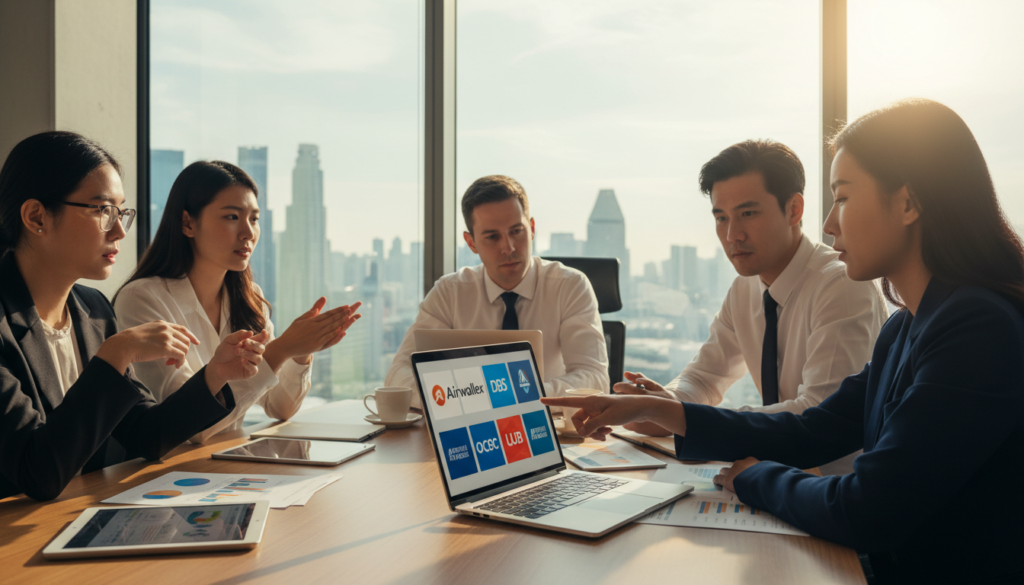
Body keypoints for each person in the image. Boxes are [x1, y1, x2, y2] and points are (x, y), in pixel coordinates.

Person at [543, 99, 1024, 583]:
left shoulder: (976, 327)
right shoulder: (907, 327)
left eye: (843, 197)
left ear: (907, 203)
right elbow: (816, 427)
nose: (830, 223)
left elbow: (868, 508)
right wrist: (665, 412)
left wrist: (754, 477)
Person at [0, 132, 266, 501]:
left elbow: (147, 435)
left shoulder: (92, 310)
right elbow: (37, 473)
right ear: (36, 217)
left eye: (121, 210)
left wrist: (215, 374)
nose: (120, 229)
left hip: (74, 519)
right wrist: (114, 356)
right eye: (101, 210)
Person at [617, 140, 887, 450]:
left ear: (794, 210)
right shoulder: (744, 289)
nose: (732, 235)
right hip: (773, 471)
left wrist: (683, 417)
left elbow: (817, 414)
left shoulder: (840, 286)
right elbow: (705, 377)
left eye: (747, 213)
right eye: (721, 218)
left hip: (831, 481)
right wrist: (665, 402)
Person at [115, 161, 360, 443]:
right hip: (163, 473)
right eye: (232, 217)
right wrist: (281, 349)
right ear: (187, 223)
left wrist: (302, 351)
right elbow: (187, 427)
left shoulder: (248, 298)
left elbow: (281, 408)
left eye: (254, 219)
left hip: (226, 467)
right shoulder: (143, 299)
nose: (248, 233)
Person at [385, 175, 609, 406]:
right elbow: (398, 377)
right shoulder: (449, 293)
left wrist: (523, 395)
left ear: (532, 229)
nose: (508, 247)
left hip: (548, 425)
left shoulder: (570, 286)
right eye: (492, 237)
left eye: (516, 231)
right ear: (471, 243)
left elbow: (595, 380)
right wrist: (465, 399)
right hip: (472, 427)